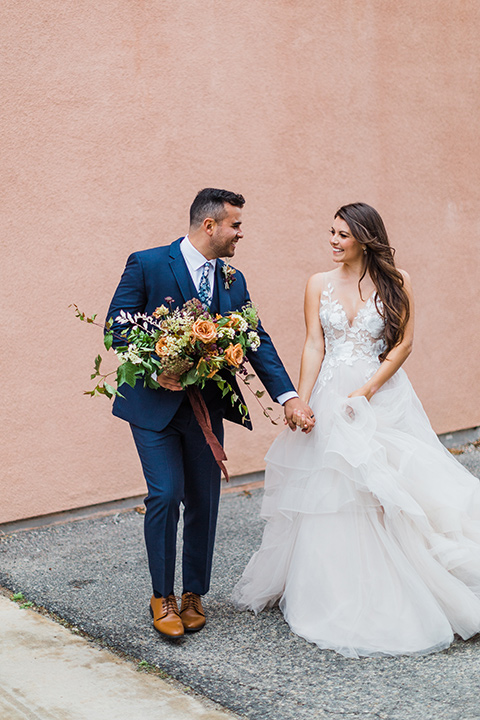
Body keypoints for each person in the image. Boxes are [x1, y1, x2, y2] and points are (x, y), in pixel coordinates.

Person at [232, 202, 480, 658]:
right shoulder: (317, 284)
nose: (332, 241)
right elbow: (313, 343)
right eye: (331, 232)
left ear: (365, 238)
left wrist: (366, 391)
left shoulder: (397, 281)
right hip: (329, 395)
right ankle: (334, 584)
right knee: (330, 489)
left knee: (383, 488)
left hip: (379, 396)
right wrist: (300, 400)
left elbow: (403, 343)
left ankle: (399, 579)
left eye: (342, 234)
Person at [106, 188, 314, 639]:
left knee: (203, 499)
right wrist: (156, 364)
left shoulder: (232, 280)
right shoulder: (147, 263)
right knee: (165, 495)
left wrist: (289, 397)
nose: (241, 233)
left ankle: (193, 593)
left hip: (204, 409)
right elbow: (117, 326)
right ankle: (161, 597)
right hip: (153, 406)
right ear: (209, 226)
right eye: (235, 225)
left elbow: (256, 339)